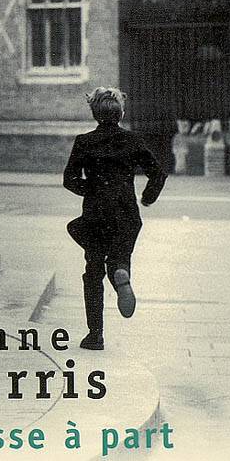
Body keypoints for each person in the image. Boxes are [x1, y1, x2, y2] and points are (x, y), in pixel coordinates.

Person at [63, 87, 167, 350]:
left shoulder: (84, 141)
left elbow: (69, 180)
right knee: (120, 255)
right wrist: (147, 197)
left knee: (93, 270)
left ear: (94, 113)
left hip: (95, 213)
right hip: (126, 212)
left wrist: (92, 189)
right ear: (121, 113)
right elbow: (158, 173)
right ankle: (120, 271)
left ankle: (95, 335)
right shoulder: (132, 140)